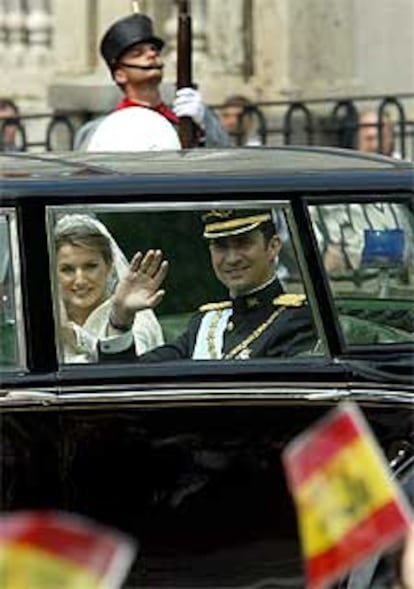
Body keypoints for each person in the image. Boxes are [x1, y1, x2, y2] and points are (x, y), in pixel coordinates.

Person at [99, 209, 316, 361]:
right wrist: (120, 318)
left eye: (243, 243)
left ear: (273, 246)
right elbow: (129, 379)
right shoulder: (205, 324)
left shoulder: (298, 322)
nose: (232, 258)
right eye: (221, 246)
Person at [78, 12, 229, 151]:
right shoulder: (99, 130)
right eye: (137, 54)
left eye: (153, 50)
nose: (151, 54)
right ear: (120, 74)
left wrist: (205, 123)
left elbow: (223, 159)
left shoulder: (187, 120)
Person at [55, 214, 164, 363]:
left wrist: (74, 336)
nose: (80, 280)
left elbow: (130, 368)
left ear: (108, 266)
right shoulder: (47, 320)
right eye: (67, 269)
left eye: (90, 267)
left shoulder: (134, 316)